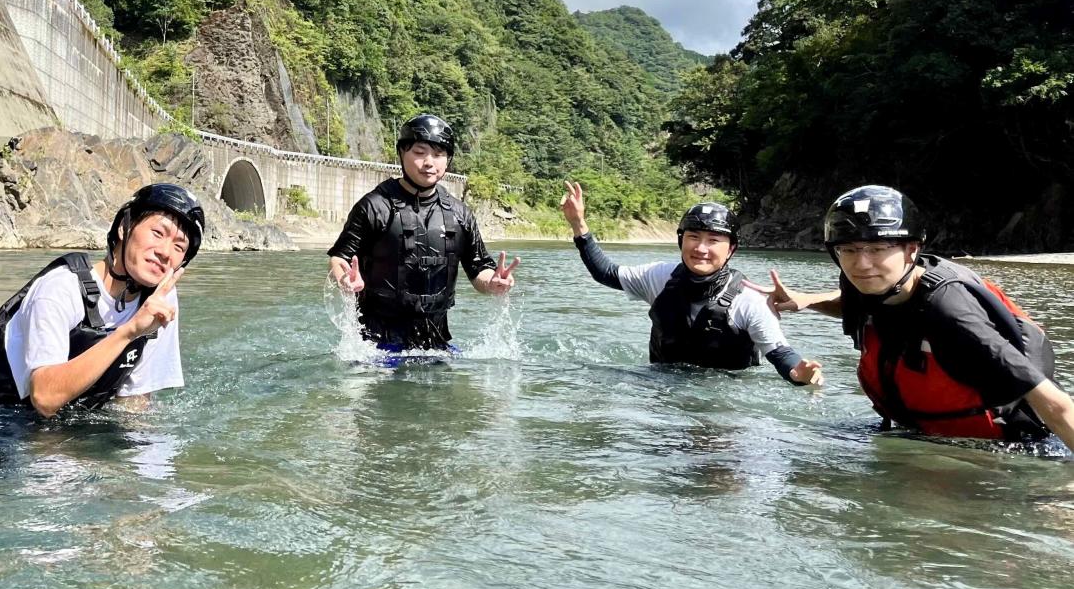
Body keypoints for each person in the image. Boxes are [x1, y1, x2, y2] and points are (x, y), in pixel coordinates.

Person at [769, 185, 1074, 447]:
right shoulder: (864, 284)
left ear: (911, 250)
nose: (861, 263)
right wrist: (806, 301)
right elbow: (856, 306)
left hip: (1001, 449)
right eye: (848, 249)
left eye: (878, 248)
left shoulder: (950, 313)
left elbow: (1054, 403)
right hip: (919, 434)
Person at [0, 183, 201, 416]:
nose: (165, 252)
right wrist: (129, 331)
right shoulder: (62, 287)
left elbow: (134, 401)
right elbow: (45, 398)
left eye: (179, 246)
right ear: (124, 227)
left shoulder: (161, 298)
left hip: (50, 426)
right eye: (157, 233)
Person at [560, 182, 823, 385]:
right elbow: (605, 272)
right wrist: (578, 224)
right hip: (662, 387)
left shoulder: (750, 299)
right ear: (681, 241)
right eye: (693, 237)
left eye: (713, 240)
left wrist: (798, 373)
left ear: (731, 249)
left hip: (724, 399)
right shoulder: (660, 277)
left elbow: (779, 352)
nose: (701, 248)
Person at [327, 114, 516, 351]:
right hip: (374, 346)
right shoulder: (374, 206)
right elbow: (340, 257)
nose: (429, 162)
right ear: (402, 153)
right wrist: (344, 278)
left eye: (438, 155)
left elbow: (479, 268)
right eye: (419, 152)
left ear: (448, 160)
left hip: (436, 343)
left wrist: (493, 283)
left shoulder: (460, 214)